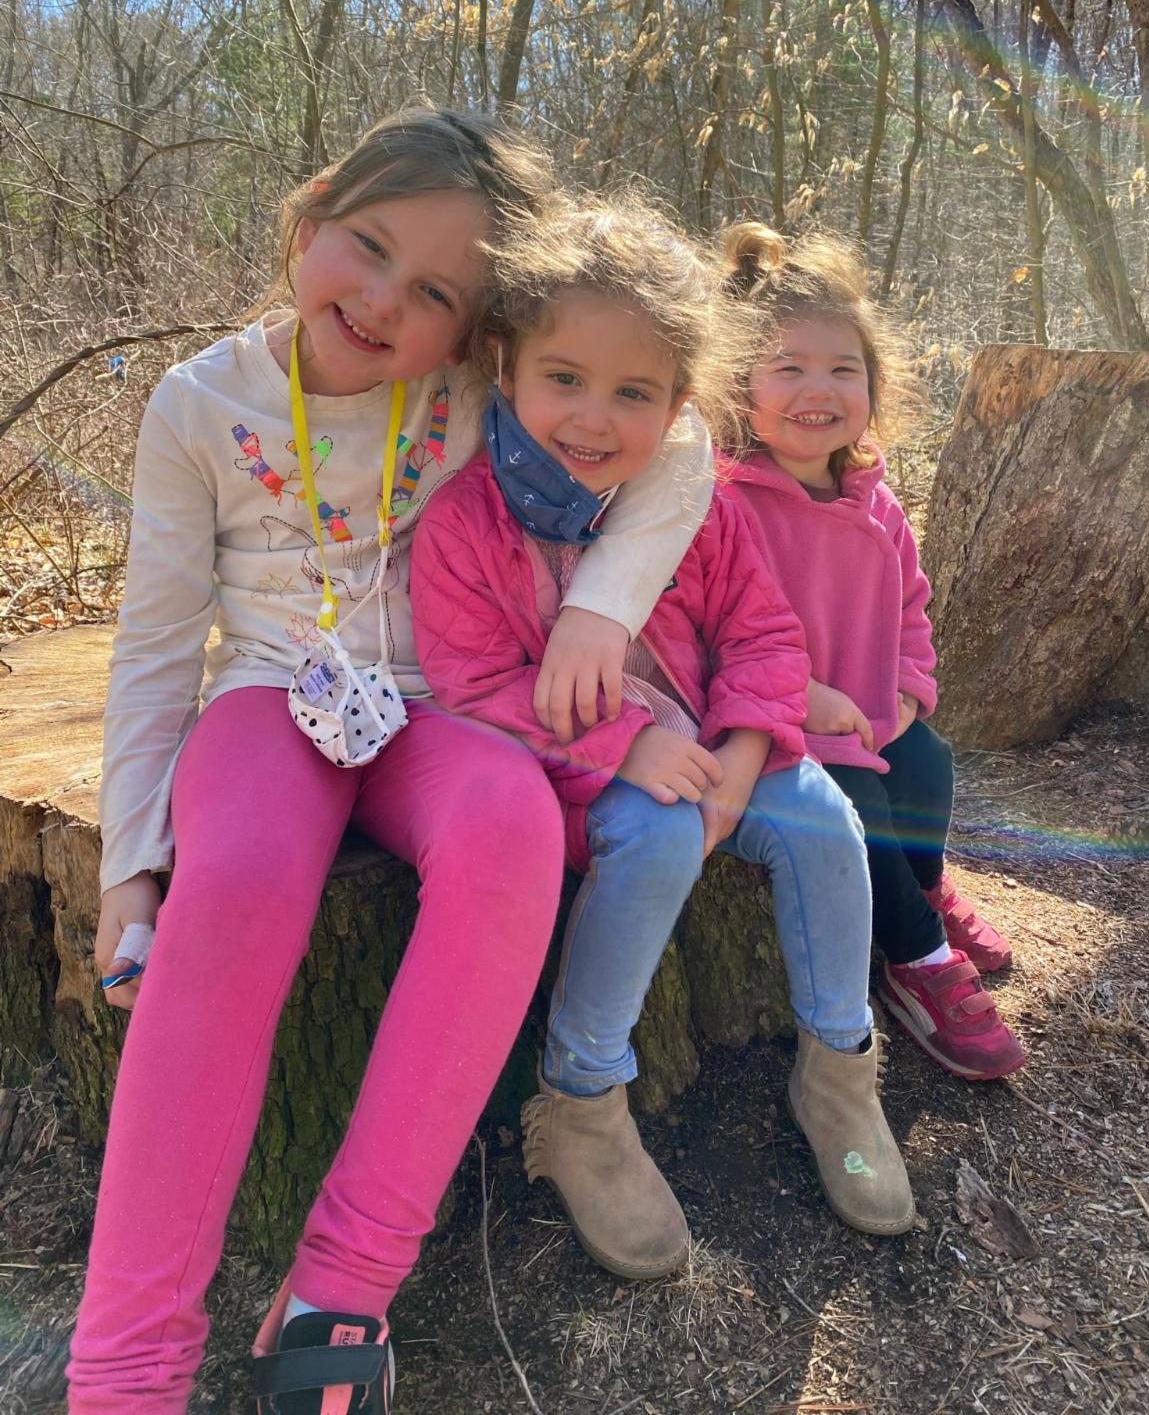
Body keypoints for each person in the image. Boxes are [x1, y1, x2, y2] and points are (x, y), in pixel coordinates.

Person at [66, 108, 715, 1415]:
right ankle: (127, 1362)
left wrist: (600, 612)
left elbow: (686, 443)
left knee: (512, 833)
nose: (382, 303)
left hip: (448, 709)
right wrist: (131, 865)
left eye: (434, 295)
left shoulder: (482, 387)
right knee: (240, 880)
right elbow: (155, 645)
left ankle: (340, 1289)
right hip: (268, 699)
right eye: (367, 248)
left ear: (475, 327)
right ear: (311, 215)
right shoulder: (198, 404)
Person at [411, 194, 914, 1283]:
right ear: (505, 368)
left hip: (716, 748)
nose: (594, 419)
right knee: (659, 834)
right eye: (565, 379)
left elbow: (765, 634)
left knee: (825, 820)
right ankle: (582, 1101)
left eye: (633, 393)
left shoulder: (699, 507)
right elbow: (474, 684)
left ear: (681, 404)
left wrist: (747, 750)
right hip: (581, 778)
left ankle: (838, 1069)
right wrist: (626, 745)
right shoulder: (463, 521)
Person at [720, 222, 1025, 1083]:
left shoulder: (875, 500)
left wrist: (909, 691)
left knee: (928, 763)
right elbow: (706, 632)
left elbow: (910, 608)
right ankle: (917, 958)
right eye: (787, 368)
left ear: (873, 384)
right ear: (735, 383)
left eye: (843, 370)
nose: (818, 390)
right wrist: (799, 697)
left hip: (871, 714)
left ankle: (924, 889)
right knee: (855, 808)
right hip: (779, 731)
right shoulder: (724, 501)